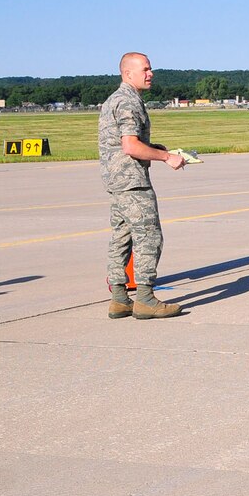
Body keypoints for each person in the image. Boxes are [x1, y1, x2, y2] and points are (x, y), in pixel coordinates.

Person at [98, 52, 186, 319]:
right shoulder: (128, 102)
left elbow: (122, 143)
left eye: (150, 69)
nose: (151, 74)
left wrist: (154, 148)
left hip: (116, 180)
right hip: (132, 183)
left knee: (121, 238)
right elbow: (130, 145)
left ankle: (119, 299)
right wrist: (167, 157)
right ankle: (145, 299)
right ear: (128, 74)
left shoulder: (115, 99)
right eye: (145, 69)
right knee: (149, 237)